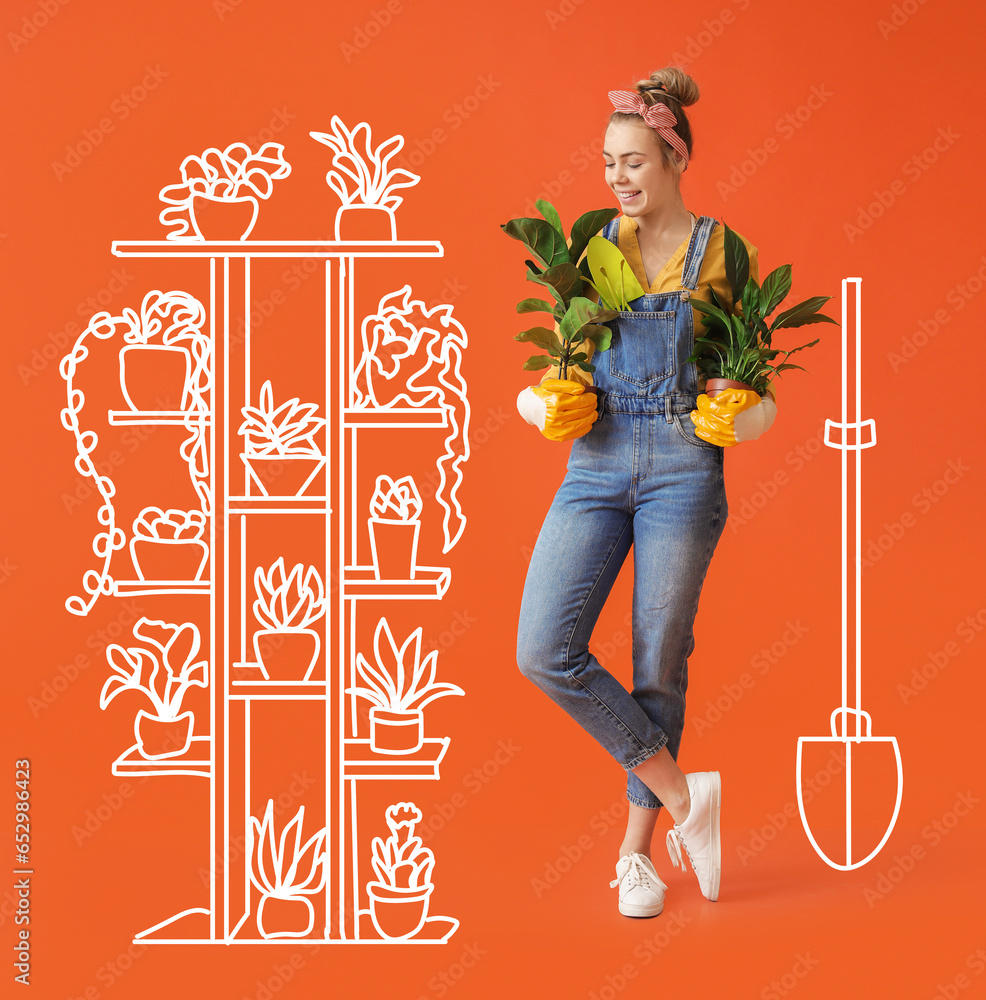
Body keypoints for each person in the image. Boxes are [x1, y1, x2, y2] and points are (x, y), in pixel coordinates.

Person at [514, 67, 777, 918]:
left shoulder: (723, 254)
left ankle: (638, 857)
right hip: (595, 461)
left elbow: (758, 375)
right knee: (544, 649)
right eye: (607, 164)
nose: (617, 179)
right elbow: (557, 363)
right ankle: (680, 793)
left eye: (632, 162)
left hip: (681, 465)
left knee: (658, 655)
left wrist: (749, 416)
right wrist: (538, 402)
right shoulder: (591, 253)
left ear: (673, 158)